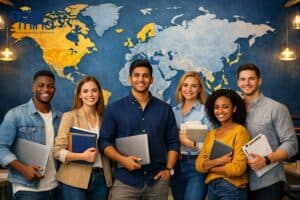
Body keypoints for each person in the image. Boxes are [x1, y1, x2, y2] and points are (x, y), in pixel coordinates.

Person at [99, 59, 180, 200]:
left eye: (145, 75)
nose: (141, 79)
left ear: (152, 79)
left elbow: (173, 142)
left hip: (157, 181)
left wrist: (168, 170)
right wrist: (122, 160)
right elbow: (104, 142)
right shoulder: (114, 108)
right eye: (136, 75)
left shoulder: (164, 109)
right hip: (125, 181)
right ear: (130, 79)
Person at [237, 63, 298, 200]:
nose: (247, 83)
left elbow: (291, 144)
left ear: (259, 81)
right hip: (240, 182)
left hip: (269, 182)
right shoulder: (235, 110)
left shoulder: (276, 108)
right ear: (238, 82)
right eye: (243, 79)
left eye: (251, 79)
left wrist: (266, 160)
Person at [0, 70, 62, 200]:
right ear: (33, 87)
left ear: (54, 89)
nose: (46, 89)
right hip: (27, 189)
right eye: (41, 85)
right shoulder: (15, 115)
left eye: (50, 86)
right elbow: (1, 148)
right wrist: (23, 169)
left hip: (55, 187)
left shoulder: (60, 118)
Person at [53, 76, 112, 200]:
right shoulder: (69, 117)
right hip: (74, 180)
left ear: (99, 94)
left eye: (94, 90)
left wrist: (111, 183)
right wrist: (82, 157)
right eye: (85, 91)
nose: (90, 94)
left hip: (102, 180)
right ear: (79, 95)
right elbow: (57, 152)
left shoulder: (106, 119)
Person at [195, 89, 250, 200]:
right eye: (216, 107)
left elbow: (238, 168)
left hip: (232, 188)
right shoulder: (212, 134)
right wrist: (219, 161)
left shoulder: (240, 132)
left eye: (225, 107)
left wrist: (209, 166)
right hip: (212, 187)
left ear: (234, 109)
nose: (220, 111)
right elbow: (198, 165)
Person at [170, 71, 212, 200]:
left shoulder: (206, 112)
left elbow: (212, 145)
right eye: (185, 85)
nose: (189, 89)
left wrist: (190, 143)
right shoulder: (172, 112)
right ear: (180, 87)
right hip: (175, 166)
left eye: (193, 86)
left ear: (199, 89)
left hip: (196, 166)